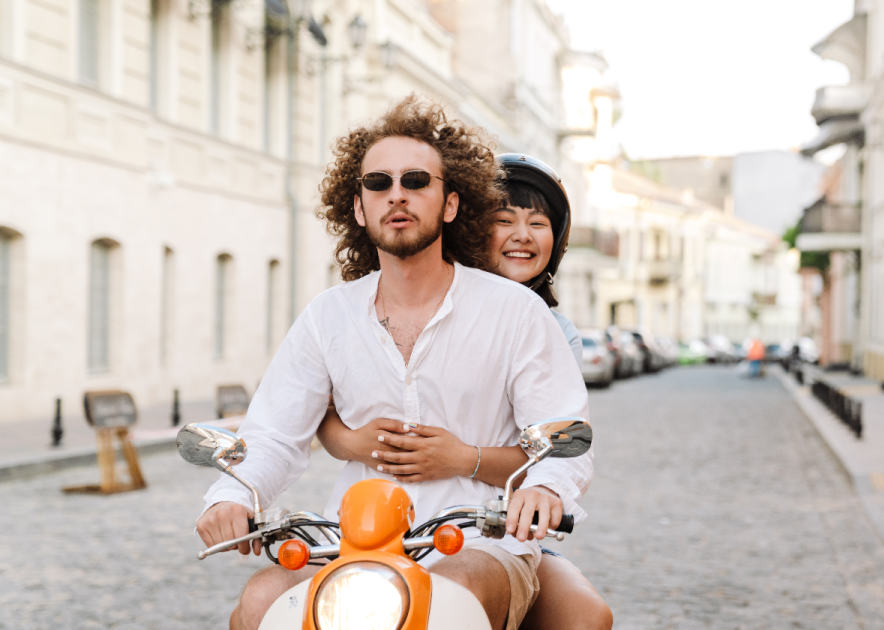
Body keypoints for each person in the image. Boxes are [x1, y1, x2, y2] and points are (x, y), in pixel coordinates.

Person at [195, 94, 591, 630]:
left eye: (416, 181)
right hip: (351, 542)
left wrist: (545, 487)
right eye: (378, 183)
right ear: (358, 207)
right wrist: (232, 494)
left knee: (456, 591)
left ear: (450, 203)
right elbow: (273, 433)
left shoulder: (515, 312)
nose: (396, 195)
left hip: (479, 542)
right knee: (262, 597)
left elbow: (560, 432)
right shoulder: (326, 317)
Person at [315, 153, 612, 630]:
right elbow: (323, 409)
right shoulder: (386, 299)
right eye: (504, 220)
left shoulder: (551, 330)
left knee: (585, 616)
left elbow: (550, 450)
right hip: (379, 521)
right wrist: (352, 442)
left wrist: (463, 458)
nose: (522, 234)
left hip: (491, 521)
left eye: (539, 223)